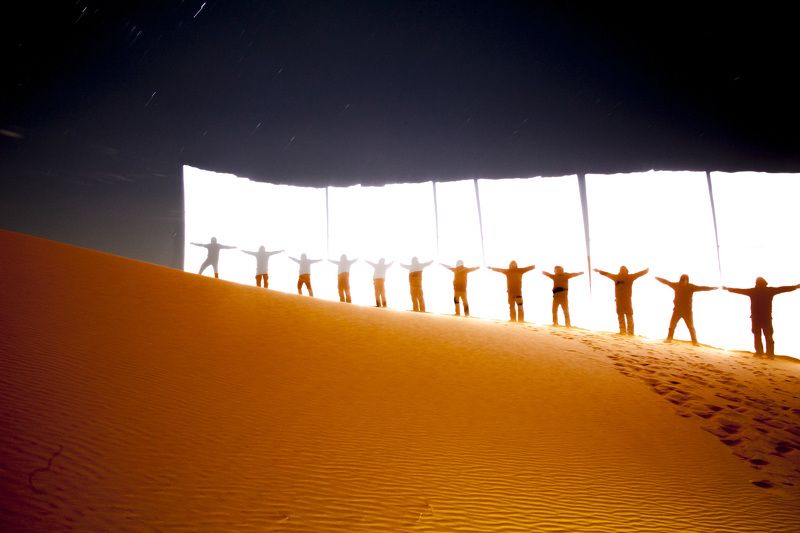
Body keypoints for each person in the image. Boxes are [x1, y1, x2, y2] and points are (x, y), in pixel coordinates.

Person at [723, 278, 800, 357]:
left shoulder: (753, 291)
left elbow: (739, 290)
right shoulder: (769, 290)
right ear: (765, 283)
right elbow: (783, 289)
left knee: (757, 335)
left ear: (756, 283)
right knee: (767, 336)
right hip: (766, 318)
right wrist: (796, 287)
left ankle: (760, 352)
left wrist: (728, 289)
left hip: (756, 318)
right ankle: (769, 354)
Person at [655, 274, 717, 345]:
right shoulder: (676, 285)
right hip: (677, 310)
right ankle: (669, 338)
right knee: (672, 325)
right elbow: (666, 282)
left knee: (691, 326)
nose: (684, 281)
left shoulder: (691, 287)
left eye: (685, 280)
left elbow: (701, 288)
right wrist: (657, 278)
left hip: (687, 311)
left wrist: (712, 288)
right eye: (683, 280)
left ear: (687, 280)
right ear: (680, 280)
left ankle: (695, 341)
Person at [594, 266, 649, 335]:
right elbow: (639, 274)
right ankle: (630, 332)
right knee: (628, 315)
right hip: (625, 301)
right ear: (627, 271)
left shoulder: (617, 277)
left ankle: (623, 331)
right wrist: (646, 271)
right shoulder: (629, 277)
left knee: (622, 315)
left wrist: (599, 270)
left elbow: (607, 274)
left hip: (620, 301)